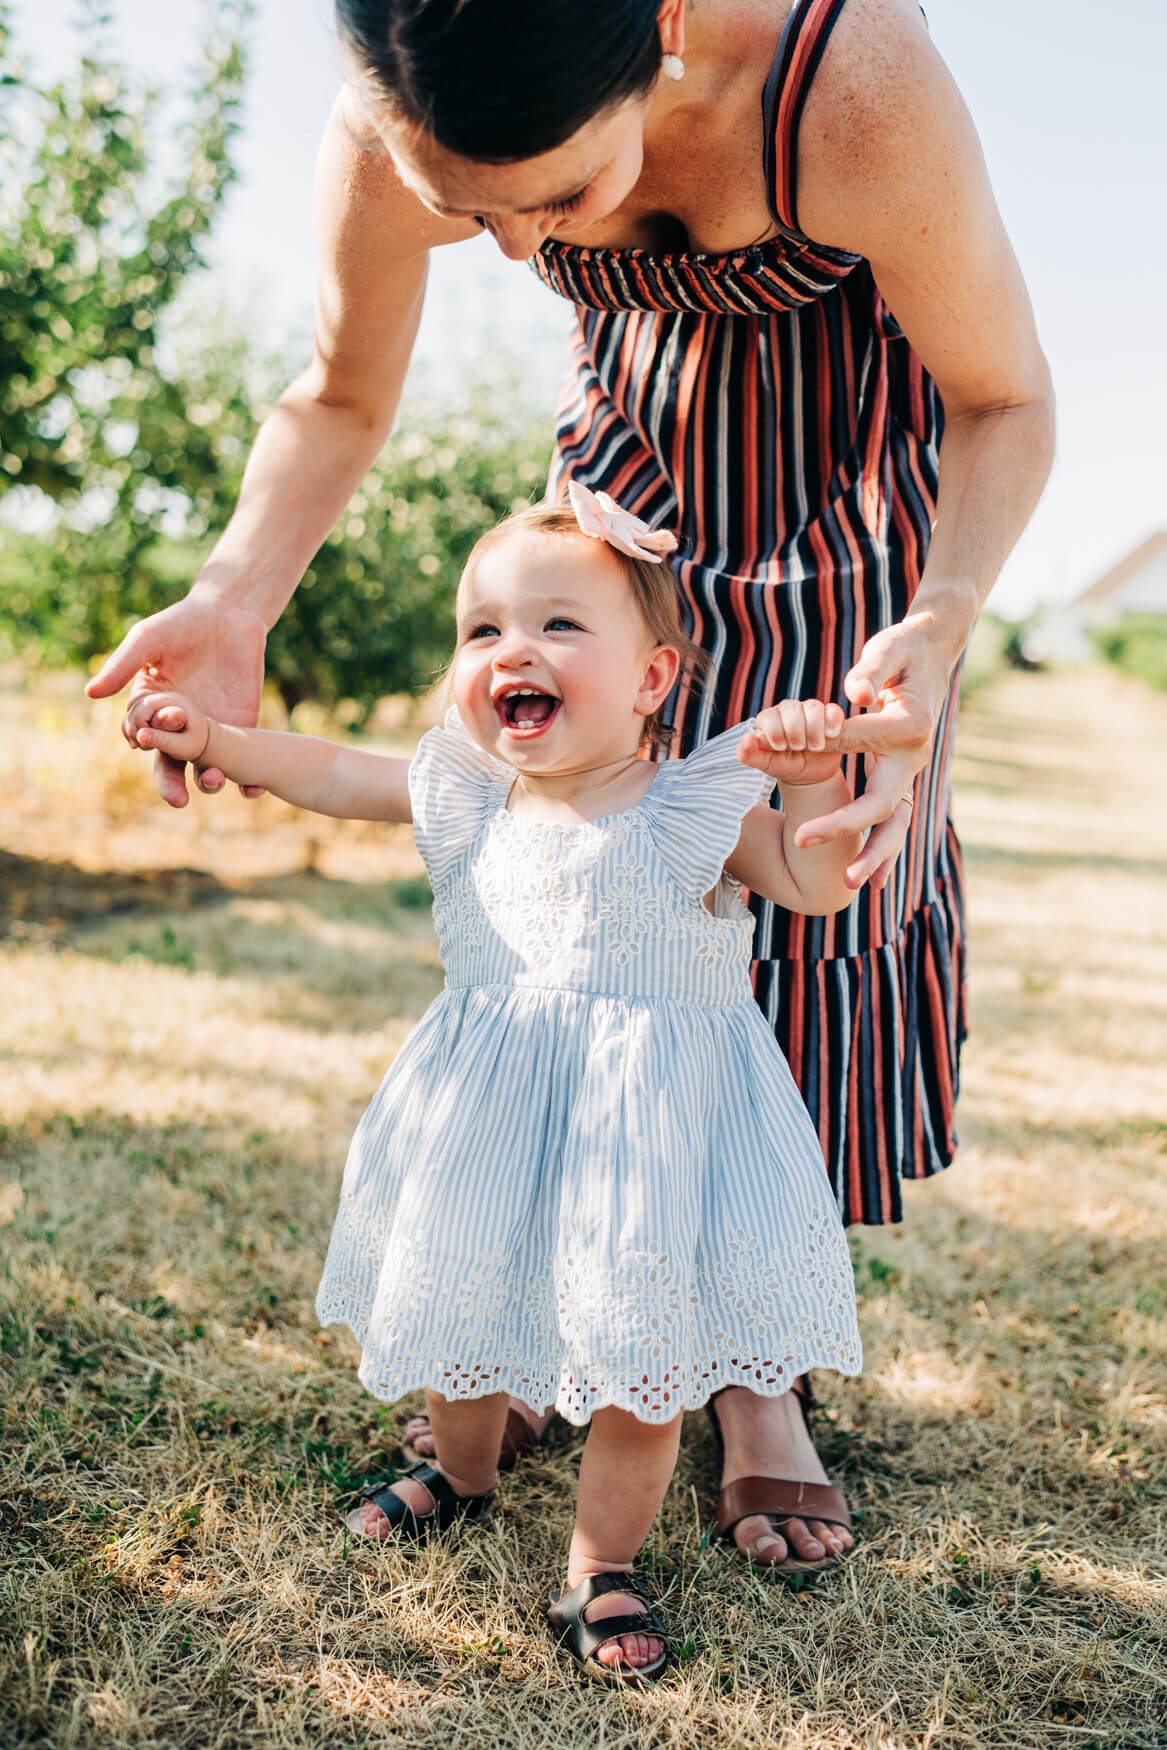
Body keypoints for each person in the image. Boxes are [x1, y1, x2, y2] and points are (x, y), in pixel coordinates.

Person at [86, 0, 1055, 1570]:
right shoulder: (399, 101)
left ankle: (752, 1383)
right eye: (474, 212)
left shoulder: (841, 81)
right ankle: (549, 1315)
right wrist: (233, 597)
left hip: (849, 537)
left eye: (549, 196)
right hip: (617, 533)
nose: (517, 242)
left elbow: (1003, 396)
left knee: (787, 921)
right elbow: (340, 390)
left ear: (658, 27)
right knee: (587, 932)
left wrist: (934, 627)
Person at [125, 492, 865, 1681]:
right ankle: (462, 1471)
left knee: (639, 1372)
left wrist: (819, 779)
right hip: (486, 1128)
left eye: (559, 625)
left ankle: (600, 1563)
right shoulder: (468, 798)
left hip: (649, 1146)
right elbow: (325, 767)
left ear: (652, 677)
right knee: (459, 1316)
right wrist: (218, 742)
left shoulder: (695, 807)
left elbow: (816, 884)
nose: (512, 650)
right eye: (482, 631)